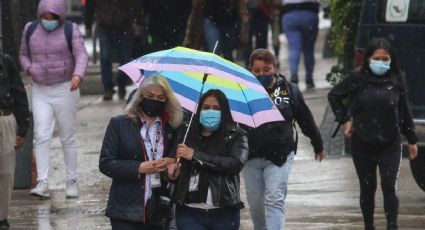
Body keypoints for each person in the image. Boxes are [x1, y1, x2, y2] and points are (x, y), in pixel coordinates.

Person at [328, 37, 418, 230]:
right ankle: (369, 225)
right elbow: (334, 96)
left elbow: (404, 111)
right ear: (368, 59)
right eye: (377, 58)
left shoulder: (396, 80)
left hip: (390, 142)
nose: (381, 62)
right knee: (367, 188)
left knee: (388, 185)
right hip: (363, 141)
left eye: (385, 59)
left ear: (391, 59)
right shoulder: (357, 78)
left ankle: (392, 225)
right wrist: (345, 120)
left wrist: (412, 139)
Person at [243, 49, 325, 230]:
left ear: (275, 67)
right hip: (250, 157)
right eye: (256, 71)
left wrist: (317, 144)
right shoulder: (242, 92)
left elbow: (305, 119)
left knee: (274, 199)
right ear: (250, 70)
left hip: (280, 155)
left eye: (266, 69)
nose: (262, 74)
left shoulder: (289, 91)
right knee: (256, 205)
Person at [19, 0, 88, 198]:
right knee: (41, 134)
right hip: (41, 89)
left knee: (67, 135)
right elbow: (23, 55)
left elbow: (81, 54)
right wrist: (30, 68)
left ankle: (72, 180)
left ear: (60, 16)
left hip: (65, 88)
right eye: (45, 17)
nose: (48, 21)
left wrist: (78, 75)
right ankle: (42, 182)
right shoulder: (30, 29)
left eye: (52, 17)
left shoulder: (70, 29)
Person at [99, 75, 184, 229]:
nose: (154, 101)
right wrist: (139, 168)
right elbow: (105, 163)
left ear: (166, 101)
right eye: (150, 96)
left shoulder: (171, 127)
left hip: (159, 209)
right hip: (126, 210)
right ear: (140, 97)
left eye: (160, 97)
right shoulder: (119, 124)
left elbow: (176, 159)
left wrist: (172, 167)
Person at [167, 89, 248, 230]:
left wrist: (195, 155)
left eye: (216, 108)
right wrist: (172, 174)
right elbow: (172, 160)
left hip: (224, 213)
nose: (210, 111)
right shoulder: (186, 131)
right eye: (206, 107)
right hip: (189, 212)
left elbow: (235, 164)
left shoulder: (236, 135)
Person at [84, 0, 142, 100]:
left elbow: (135, 4)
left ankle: (121, 83)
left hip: (124, 25)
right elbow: (90, 6)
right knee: (105, 58)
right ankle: (108, 88)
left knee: (125, 59)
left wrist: (137, 21)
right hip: (104, 26)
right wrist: (88, 25)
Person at [0, 51, 30, 228]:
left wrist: (23, 129)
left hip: (5, 119)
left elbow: (19, 93)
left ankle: (1, 217)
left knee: (6, 172)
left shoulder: (5, 60)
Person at [184, 0, 248, 61]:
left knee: (227, 51)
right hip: (211, 18)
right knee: (214, 48)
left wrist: (243, 14)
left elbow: (240, 4)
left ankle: (222, 69)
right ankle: (213, 69)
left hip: (229, 20)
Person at [281, 0, 320, 88]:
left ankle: (294, 76)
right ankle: (309, 78)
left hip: (290, 15)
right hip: (310, 14)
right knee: (309, 50)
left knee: (294, 49)